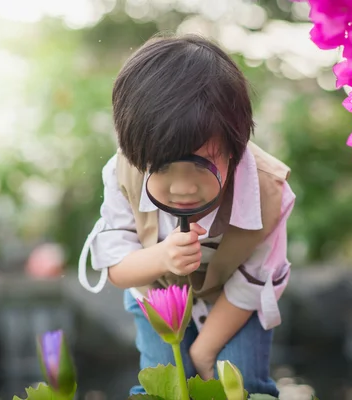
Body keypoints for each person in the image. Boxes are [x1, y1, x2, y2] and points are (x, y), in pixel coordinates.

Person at [78, 33, 296, 397]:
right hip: (156, 290)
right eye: (163, 165)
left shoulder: (269, 191)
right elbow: (117, 267)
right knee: (164, 387)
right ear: (136, 150)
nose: (182, 187)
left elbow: (254, 281)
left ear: (235, 146)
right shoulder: (121, 173)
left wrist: (204, 351)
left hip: (236, 299)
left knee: (243, 385)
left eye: (202, 163)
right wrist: (163, 256)